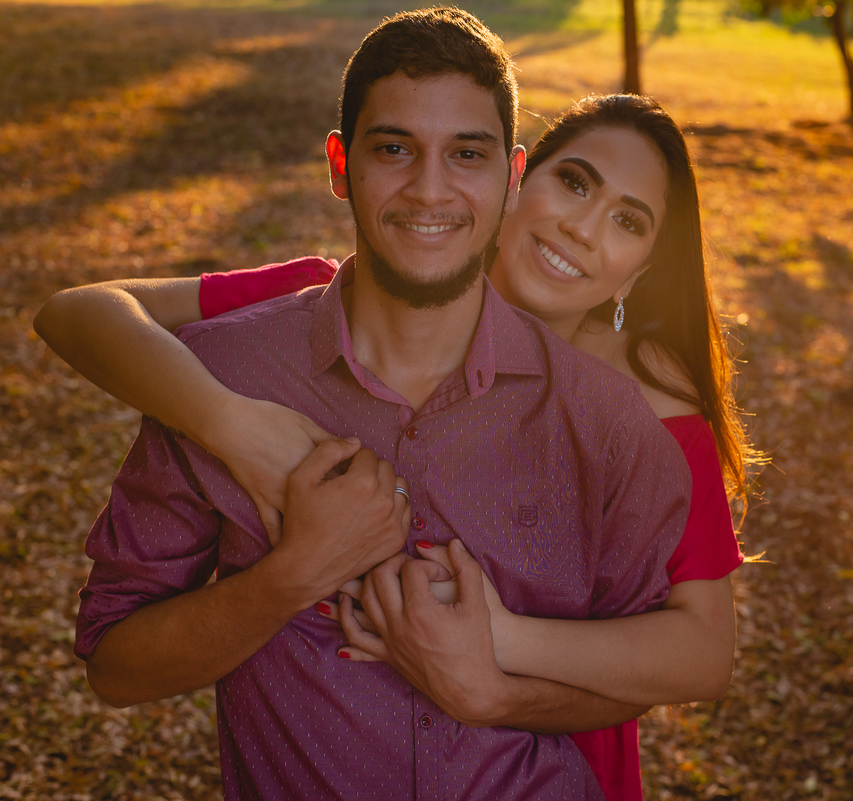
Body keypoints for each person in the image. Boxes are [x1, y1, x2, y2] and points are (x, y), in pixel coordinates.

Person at [37, 67, 751, 801]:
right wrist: (236, 425)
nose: (582, 226)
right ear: (516, 182)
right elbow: (79, 313)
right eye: (574, 183)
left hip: (557, 748)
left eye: (627, 221)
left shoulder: (643, 409)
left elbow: (700, 650)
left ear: (639, 273)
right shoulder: (330, 306)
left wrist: (493, 661)